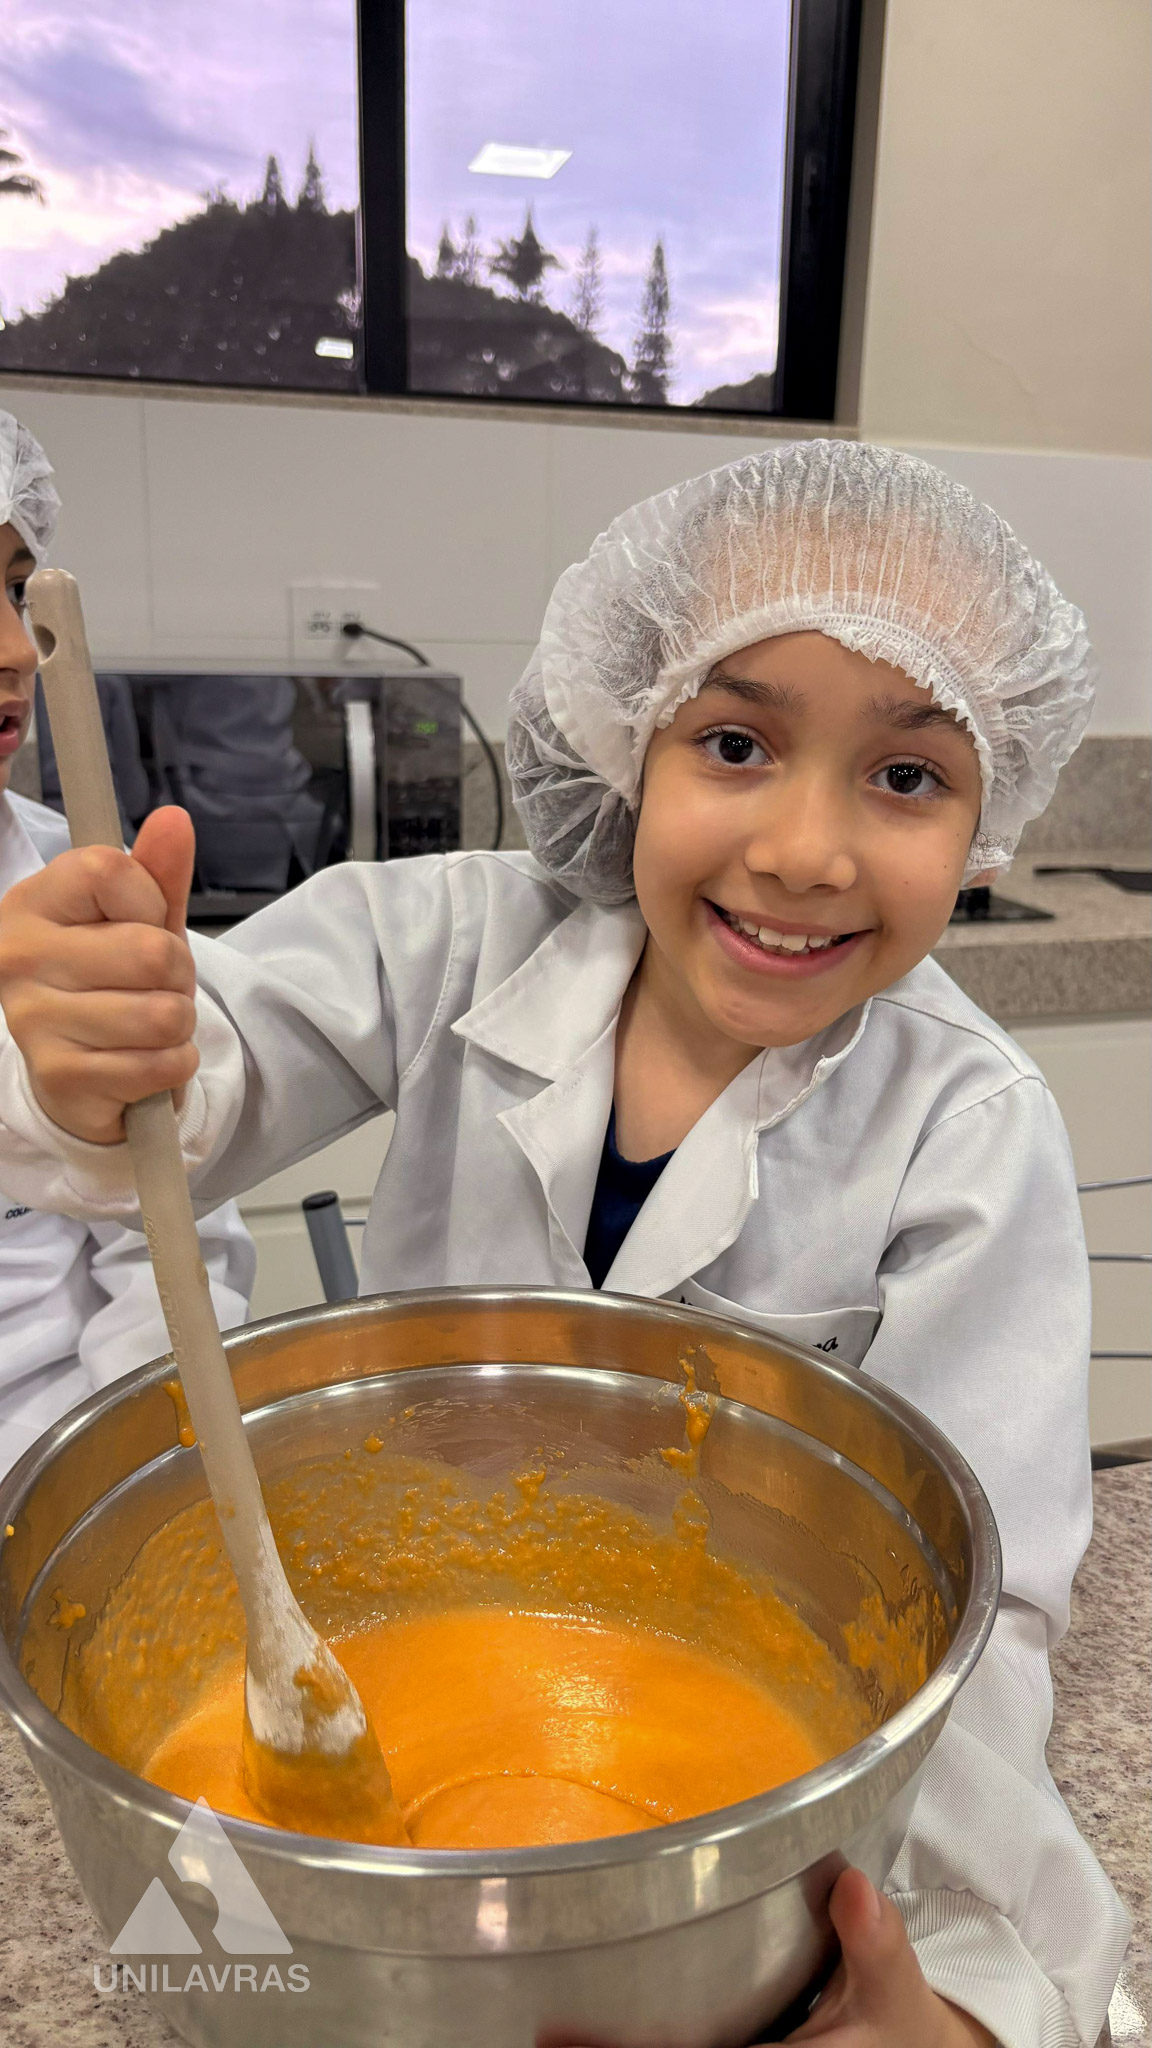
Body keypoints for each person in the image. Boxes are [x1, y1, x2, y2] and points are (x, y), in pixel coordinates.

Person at [0, 439, 1129, 2047]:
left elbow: (972, 1636)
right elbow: (208, 1062)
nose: (806, 851)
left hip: (725, 1889)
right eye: (735, 743)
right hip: (373, 1736)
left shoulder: (968, 1126)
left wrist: (968, 2003)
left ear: (990, 815)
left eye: (906, 777)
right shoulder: (445, 937)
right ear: (627, 743)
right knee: (215, 1999)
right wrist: (93, 1051)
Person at [0, 412, 255, 1481]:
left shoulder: (74, 884)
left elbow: (167, 1246)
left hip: (64, 1456)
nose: (18, 649)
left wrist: (131, 1486)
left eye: (16, 586)